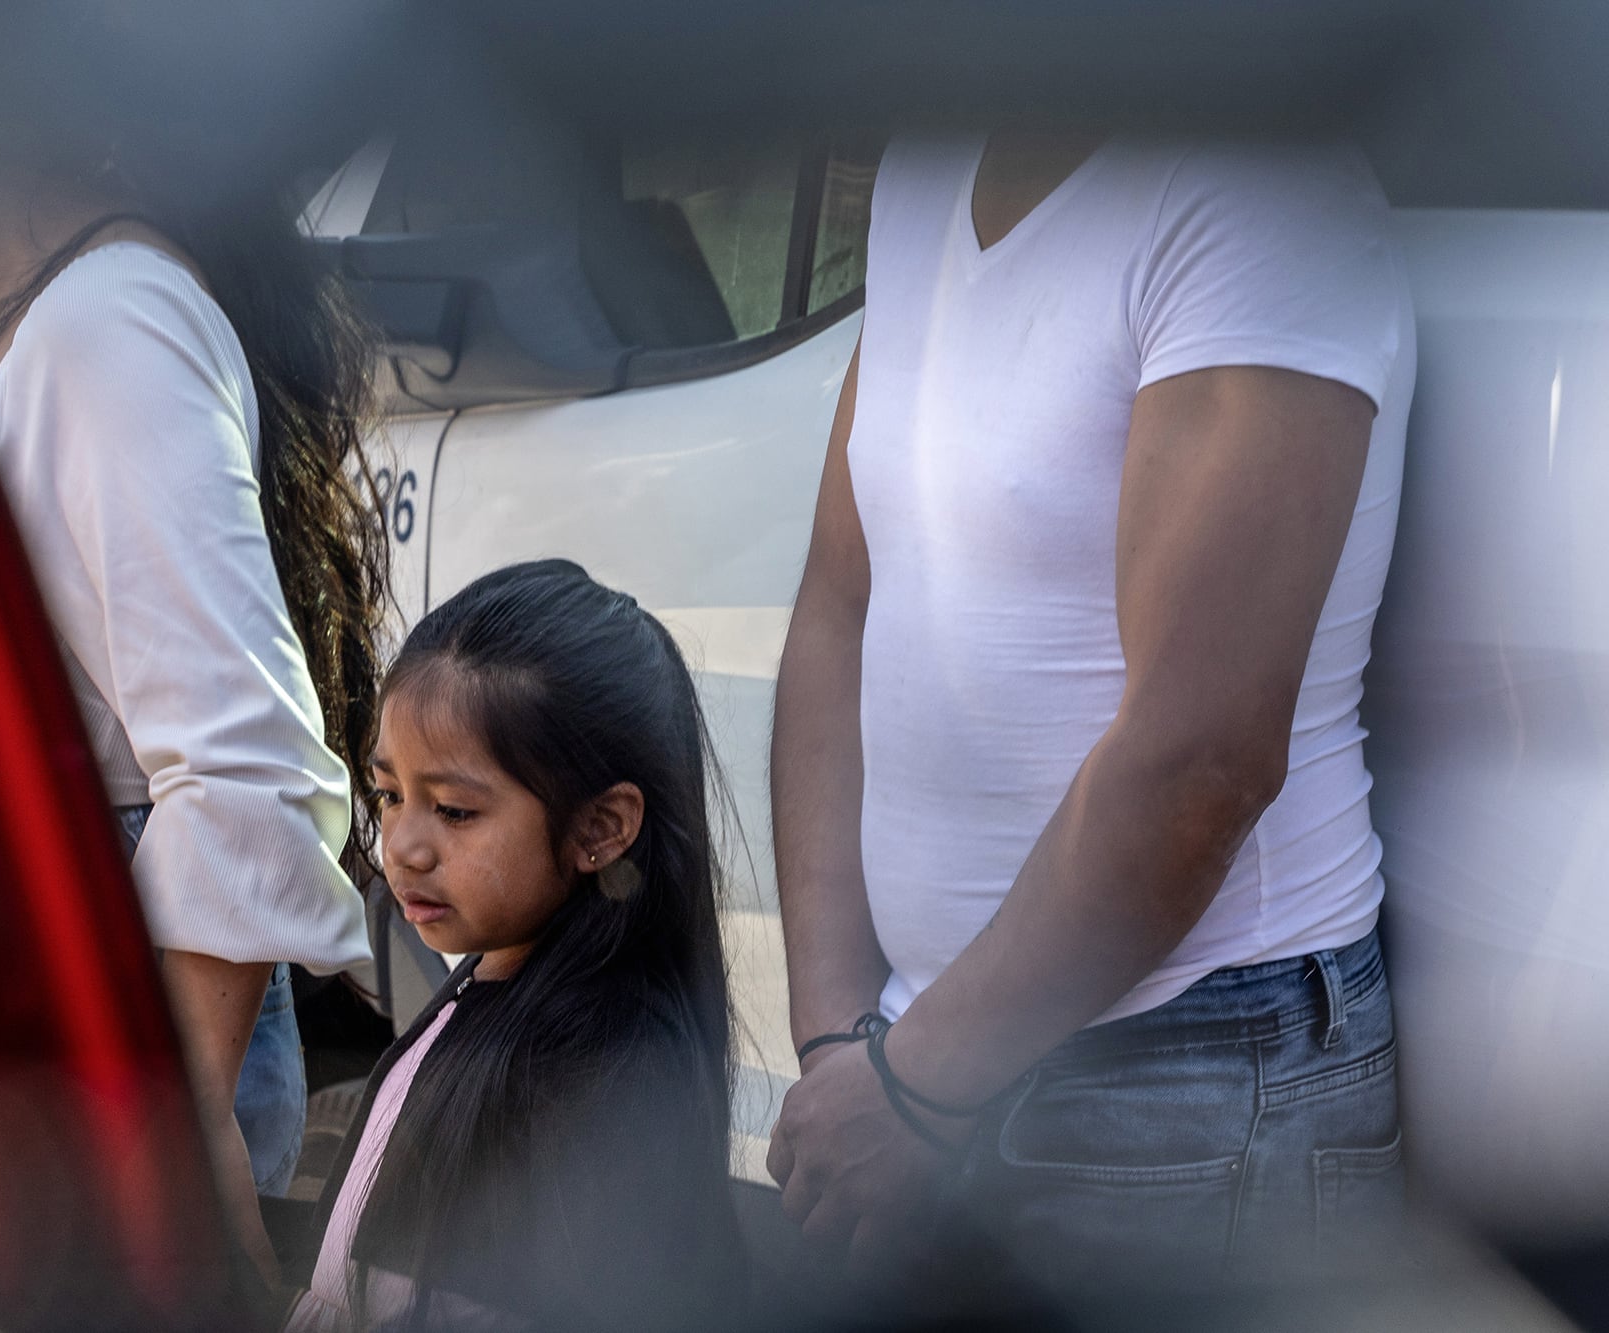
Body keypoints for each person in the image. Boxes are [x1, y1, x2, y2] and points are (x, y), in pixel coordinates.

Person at [767, 132, 1415, 1294]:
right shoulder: (925, 175)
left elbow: (1198, 762)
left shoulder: (1256, 192)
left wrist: (910, 1082)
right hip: (917, 1062)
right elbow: (838, 599)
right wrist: (837, 1046)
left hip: (1187, 1072)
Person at [0, 81, 386, 1280]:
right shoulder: (44, 315)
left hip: (126, 1015)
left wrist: (174, 1112)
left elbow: (247, 760)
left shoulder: (103, 321)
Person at [285, 560, 742, 1332]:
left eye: (455, 810)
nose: (402, 846)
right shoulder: (487, 987)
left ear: (600, 828)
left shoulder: (591, 1071)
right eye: (390, 794)